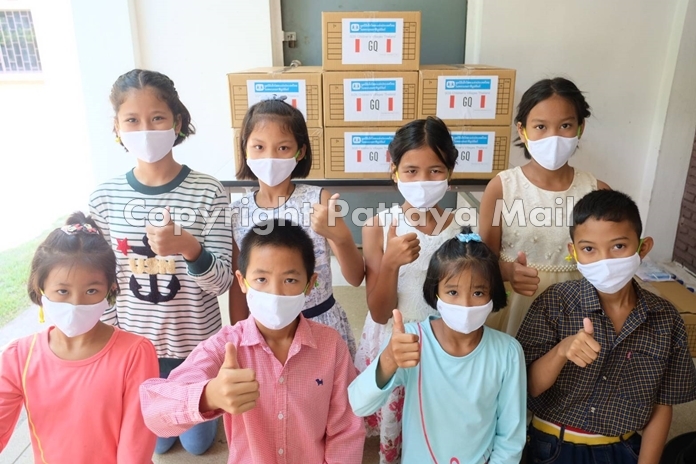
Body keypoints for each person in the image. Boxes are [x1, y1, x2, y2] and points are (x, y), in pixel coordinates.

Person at [89, 69, 233, 455]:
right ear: (117, 128)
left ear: (177, 123)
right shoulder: (104, 197)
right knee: (158, 443)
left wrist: (190, 247)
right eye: (132, 120)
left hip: (196, 346)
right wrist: (113, 343)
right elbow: (102, 284)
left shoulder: (208, 191)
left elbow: (221, 282)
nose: (145, 130)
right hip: (138, 350)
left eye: (157, 118)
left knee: (198, 445)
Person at [139, 219, 366, 464]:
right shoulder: (225, 346)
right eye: (261, 279)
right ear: (242, 281)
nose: (275, 293)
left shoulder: (331, 345)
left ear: (310, 284)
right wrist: (209, 396)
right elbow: (153, 410)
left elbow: (347, 428)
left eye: (290, 280)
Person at [517, 189, 696, 464]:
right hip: (551, 446)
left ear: (642, 248)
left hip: (623, 449)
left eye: (618, 246)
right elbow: (529, 387)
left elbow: (663, 405)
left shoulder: (665, 319)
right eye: (589, 249)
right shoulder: (554, 303)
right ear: (574, 252)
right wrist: (562, 350)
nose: (605, 260)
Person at [349, 227, 526, 464]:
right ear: (435, 292)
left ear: (493, 294)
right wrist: (389, 359)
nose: (465, 304)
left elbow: (510, 439)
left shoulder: (507, 353)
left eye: (478, 292)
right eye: (452, 291)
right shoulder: (412, 341)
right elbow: (359, 404)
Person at [0, 212, 159, 463]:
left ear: (110, 289)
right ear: (40, 288)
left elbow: (135, 446)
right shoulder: (19, 356)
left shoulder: (135, 353)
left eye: (91, 290)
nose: (76, 304)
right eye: (62, 291)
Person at [354, 116, 461, 463]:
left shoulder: (462, 228)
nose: (422, 181)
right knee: (396, 427)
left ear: (450, 171)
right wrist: (390, 264)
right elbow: (378, 312)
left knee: (435, 430)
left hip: (444, 347)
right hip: (395, 342)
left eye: (435, 171)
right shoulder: (378, 226)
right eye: (411, 171)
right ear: (394, 171)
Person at [229, 99, 363, 358]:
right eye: (259, 147)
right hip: (265, 334)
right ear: (245, 149)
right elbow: (239, 285)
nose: (270, 157)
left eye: (283, 148)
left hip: (320, 326)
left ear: (300, 152)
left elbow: (356, 277)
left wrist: (340, 237)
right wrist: (239, 337)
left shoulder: (319, 201)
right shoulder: (237, 212)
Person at [479, 77, 610, 336]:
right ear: (522, 130)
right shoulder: (502, 188)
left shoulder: (597, 191)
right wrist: (507, 272)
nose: (554, 137)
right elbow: (482, 262)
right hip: (514, 310)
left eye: (565, 125)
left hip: (575, 315)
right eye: (541, 126)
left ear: (580, 128)